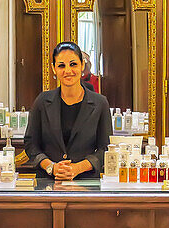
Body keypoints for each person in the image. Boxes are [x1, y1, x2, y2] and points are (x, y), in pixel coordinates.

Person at [25, 41, 111, 180]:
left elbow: (105, 149)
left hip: (86, 183)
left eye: (73, 64)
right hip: (48, 182)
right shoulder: (42, 101)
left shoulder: (100, 103)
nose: (68, 71)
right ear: (54, 69)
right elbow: (31, 144)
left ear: (82, 65)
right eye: (61, 66)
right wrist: (51, 167)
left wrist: (77, 168)